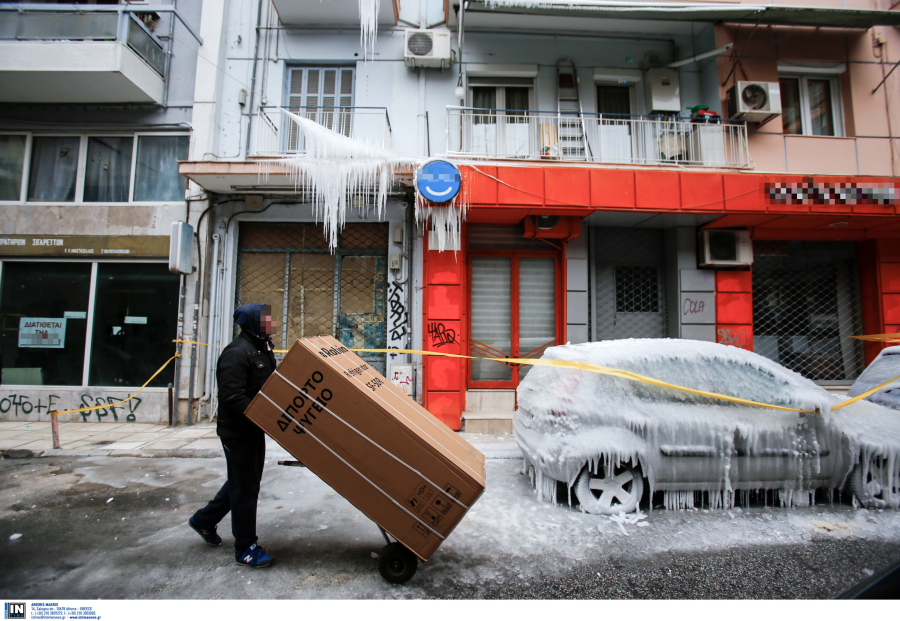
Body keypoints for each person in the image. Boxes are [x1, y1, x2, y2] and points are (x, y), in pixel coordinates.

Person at [189, 302, 278, 568]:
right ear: (252, 323)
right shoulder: (236, 354)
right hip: (238, 431)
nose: (270, 323)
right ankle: (245, 548)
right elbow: (232, 398)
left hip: (254, 428)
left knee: (243, 482)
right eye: (265, 319)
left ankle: (204, 520)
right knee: (245, 488)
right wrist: (262, 417)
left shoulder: (263, 347)